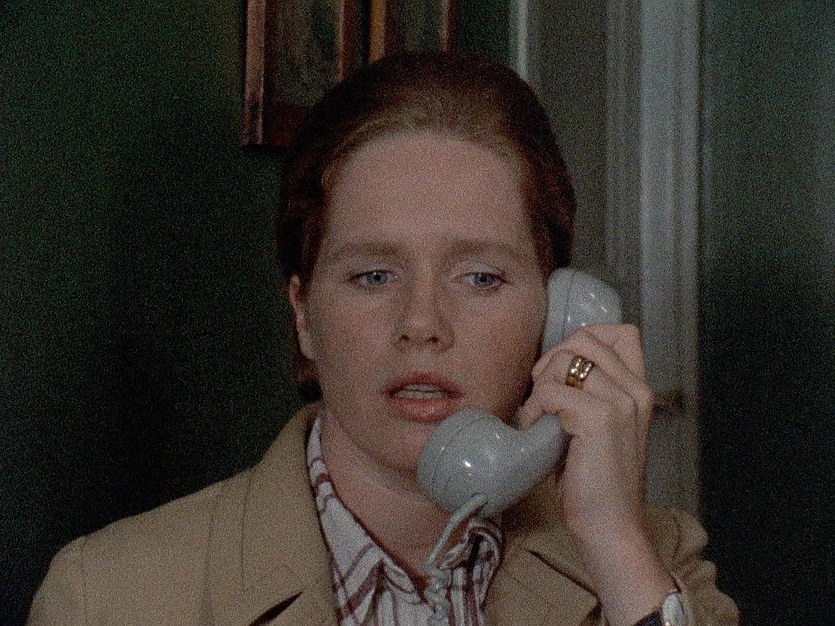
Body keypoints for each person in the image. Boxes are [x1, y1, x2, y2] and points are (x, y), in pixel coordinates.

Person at [28, 51, 738, 626]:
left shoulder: (653, 556)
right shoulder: (107, 596)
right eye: (373, 276)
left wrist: (615, 550)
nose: (422, 323)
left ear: (557, 314)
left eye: (481, 277)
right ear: (303, 313)